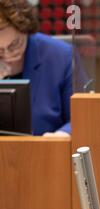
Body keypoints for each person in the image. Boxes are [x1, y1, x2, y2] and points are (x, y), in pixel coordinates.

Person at [0, 0, 72, 136]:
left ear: (26, 30)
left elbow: (81, 115)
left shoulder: (61, 56)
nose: (8, 54)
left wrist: (62, 134)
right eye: (0, 50)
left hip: (47, 150)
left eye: (14, 44)